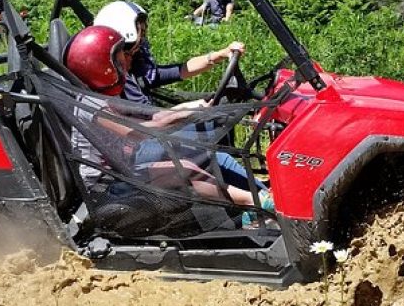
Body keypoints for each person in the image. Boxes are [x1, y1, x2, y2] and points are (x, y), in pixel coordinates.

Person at [63, 25, 272, 211]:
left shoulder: (102, 95)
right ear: (101, 66)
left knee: (188, 166)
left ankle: (257, 201)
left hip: (121, 171)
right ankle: (255, 203)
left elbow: (153, 115)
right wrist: (185, 114)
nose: (126, 63)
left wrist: (193, 108)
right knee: (184, 170)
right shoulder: (91, 104)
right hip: (104, 185)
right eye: (119, 60)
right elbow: (138, 132)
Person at [93, 0, 244, 106]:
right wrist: (188, 109)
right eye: (130, 51)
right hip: (150, 138)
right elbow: (153, 120)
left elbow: (181, 70)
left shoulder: (136, 73)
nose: (141, 44)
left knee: (218, 103)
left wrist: (221, 54)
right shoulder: (120, 83)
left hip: (155, 131)